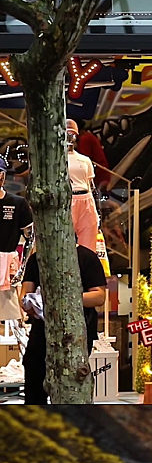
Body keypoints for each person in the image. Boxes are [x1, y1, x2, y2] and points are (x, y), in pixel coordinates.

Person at [21, 242, 107, 404]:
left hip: (77, 333)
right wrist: (30, 303)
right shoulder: (36, 259)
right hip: (42, 331)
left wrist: (62, 299)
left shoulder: (87, 257)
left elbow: (99, 296)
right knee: (34, 375)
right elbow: (25, 293)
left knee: (72, 381)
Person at [66, 119, 101, 249]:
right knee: (64, 241)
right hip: (68, 199)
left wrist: (97, 211)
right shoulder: (57, 161)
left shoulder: (85, 160)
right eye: (67, 133)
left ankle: (86, 268)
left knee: (89, 243)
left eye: (73, 134)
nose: (70, 137)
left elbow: (91, 186)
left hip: (86, 199)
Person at [0, 158, 34, 290]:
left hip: (9, 269)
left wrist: (23, 268)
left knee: (9, 309)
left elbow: (30, 239)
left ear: (3, 176)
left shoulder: (17, 203)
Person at [76, 119, 111, 192]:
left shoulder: (84, 139)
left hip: (97, 176)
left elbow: (83, 159)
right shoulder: (88, 136)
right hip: (101, 174)